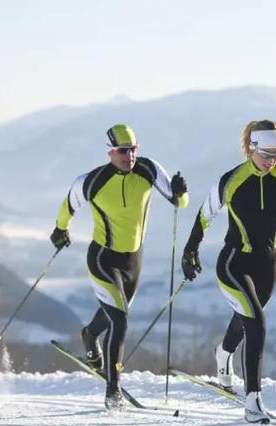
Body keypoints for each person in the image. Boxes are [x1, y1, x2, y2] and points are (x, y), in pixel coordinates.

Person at [180, 120, 276, 424]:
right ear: (251, 149)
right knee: (256, 324)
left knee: (246, 317)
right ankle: (253, 402)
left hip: (269, 267)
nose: (272, 160)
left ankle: (223, 354)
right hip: (234, 264)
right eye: (266, 154)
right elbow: (204, 215)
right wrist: (190, 251)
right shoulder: (232, 179)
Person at [50, 124, 189, 410]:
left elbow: (180, 203)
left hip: (134, 262)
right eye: (124, 151)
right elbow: (69, 205)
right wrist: (60, 229)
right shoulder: (93, 181)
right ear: (111, 152)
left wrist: (181, 190)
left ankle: (89, 335)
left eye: (134, 149)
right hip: (103, 259)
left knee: (114, 313)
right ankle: (113, 391)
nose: (130, 156)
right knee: (121, 320)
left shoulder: (149, 170)